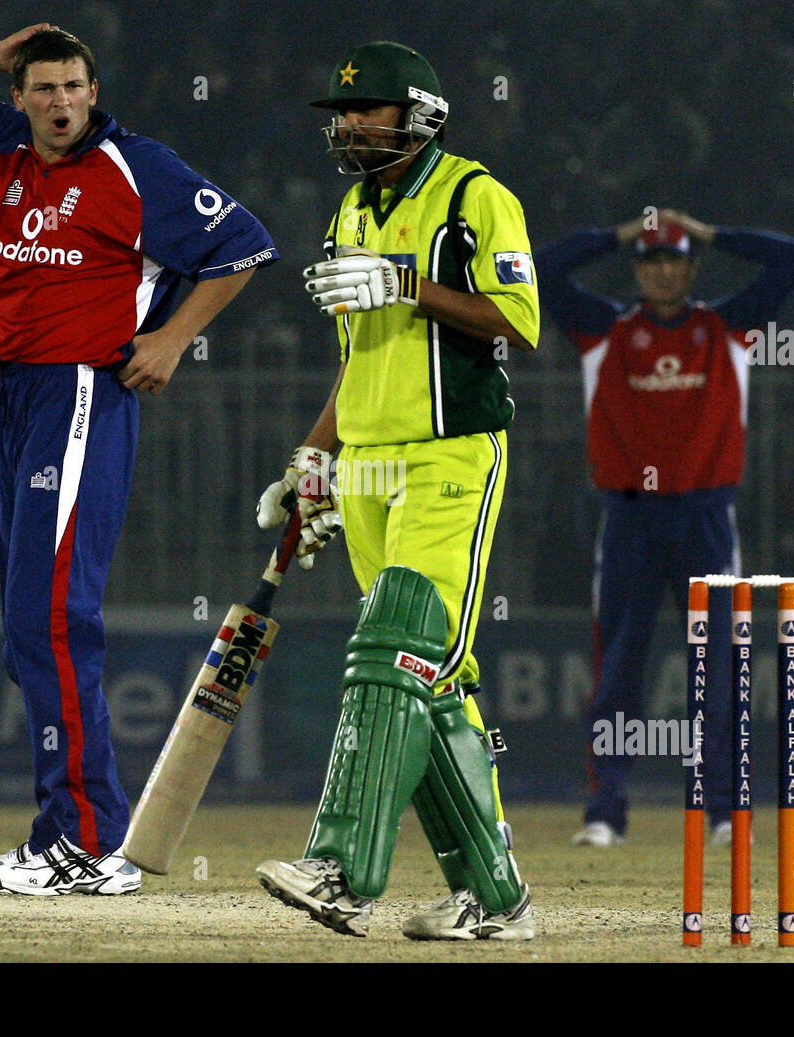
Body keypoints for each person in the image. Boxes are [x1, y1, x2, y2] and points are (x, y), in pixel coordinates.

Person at [0, 25, 276, 894]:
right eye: (46, 88)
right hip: (13, 394)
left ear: (93, 91)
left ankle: (86, 840)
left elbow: (245, 241)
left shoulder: (137, 167)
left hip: (79, 392)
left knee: (52, 615)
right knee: (32, 621)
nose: (63, 102)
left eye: (75, 86)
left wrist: (172, 339)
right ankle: (72, 833)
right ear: (19, 96)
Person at [253, 41, 539, 940]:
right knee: (433, 678)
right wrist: (313, 461)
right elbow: (355, 361)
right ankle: (498, 903)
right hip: (368, 463)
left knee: (392, 650)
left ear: (418, 112)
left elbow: (520, 323)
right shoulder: (347, 209)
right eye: (340, 113)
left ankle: (340, 871)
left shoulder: (474, 197)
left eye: (364, 110)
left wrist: (410, 284)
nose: (346, 125)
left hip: (452, 455)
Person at [535, 211, 794, 847]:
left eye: (676, 258)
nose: (663, 270)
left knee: (718, 665)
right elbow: (541, 269)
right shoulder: (604, 329)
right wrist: (619, 231)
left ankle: (720, 812)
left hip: (706, 517)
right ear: (637, 268)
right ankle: (606, 811)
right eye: (651, 259)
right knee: (617, 669)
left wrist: (714, 232)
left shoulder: (728, 328)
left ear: (692, 267)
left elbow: (793, 255)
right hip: (629, 517)